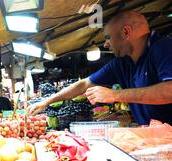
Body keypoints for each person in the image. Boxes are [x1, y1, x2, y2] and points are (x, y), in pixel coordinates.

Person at [27, 11, 172, 125]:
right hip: (154, 137)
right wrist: (45, 102)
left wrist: (115, 95)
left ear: (126, 32)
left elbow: (169, 91)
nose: (106, 44)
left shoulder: (164, 48)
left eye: (108, 37)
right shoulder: (122, 63)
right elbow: (84, 84)